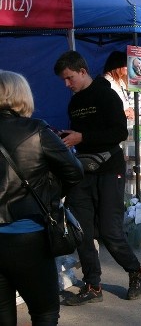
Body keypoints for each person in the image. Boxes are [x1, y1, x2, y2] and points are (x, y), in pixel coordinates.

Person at [53, 51, 141, 305]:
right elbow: (81, 133)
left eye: (69, 78)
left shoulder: (106, 95)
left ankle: (135, 271)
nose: (67, 84)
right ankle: (93, 286)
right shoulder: (74, 103)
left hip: (109, 170)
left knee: (109, 231)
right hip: (83, 172)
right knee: (81, 230)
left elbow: (118, 132)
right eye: (64, 80)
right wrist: (68, 137)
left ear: (83, 71)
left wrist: (82, 137)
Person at [0, 70, 84, 326]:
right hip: (29, 234)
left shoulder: (36, 131)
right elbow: (74, 172)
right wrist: (50, 193)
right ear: (21, 97)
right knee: (45, 312)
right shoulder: (36, 130)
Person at [103, 51, 134, 120]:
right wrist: (123, 113)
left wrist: (130, 109)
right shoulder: (106, 82)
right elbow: (105, 109)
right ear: (117, 65)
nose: (129, 68)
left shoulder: (120, 81)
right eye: (126, 65)